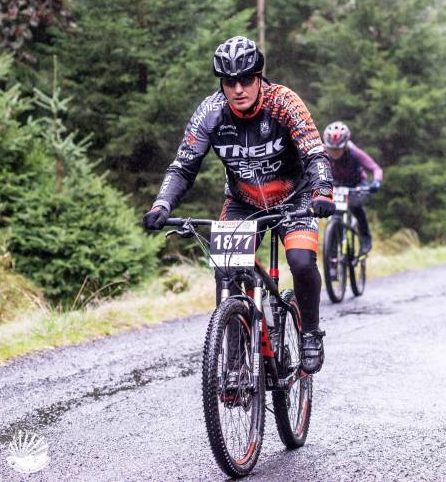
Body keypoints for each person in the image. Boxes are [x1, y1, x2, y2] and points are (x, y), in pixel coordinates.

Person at [142, 36, 334, 375]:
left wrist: (322, 192)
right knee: (227, 270)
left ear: (259, 77)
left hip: (296, 198)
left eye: (246, 79)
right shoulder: (210, 112)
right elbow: (183, 167)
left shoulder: (284, 102)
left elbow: (315, 153)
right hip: (244, 202)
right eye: (230, 82)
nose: (238, 89)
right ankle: (235, 358)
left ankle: (310, 333)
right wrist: (162, 205)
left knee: (301, 261)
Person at [323, 121, 383, 254]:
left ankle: (365, 238)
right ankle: (334, 244)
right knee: (333, 211)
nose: (334, 153)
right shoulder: (323, 152)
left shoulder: (354, 152)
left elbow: (375, 168)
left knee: (356, 206)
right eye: (331, 149)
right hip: (336, 184)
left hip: (357, 184)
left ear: (345, 146)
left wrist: (376, 182)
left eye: (338, 149)